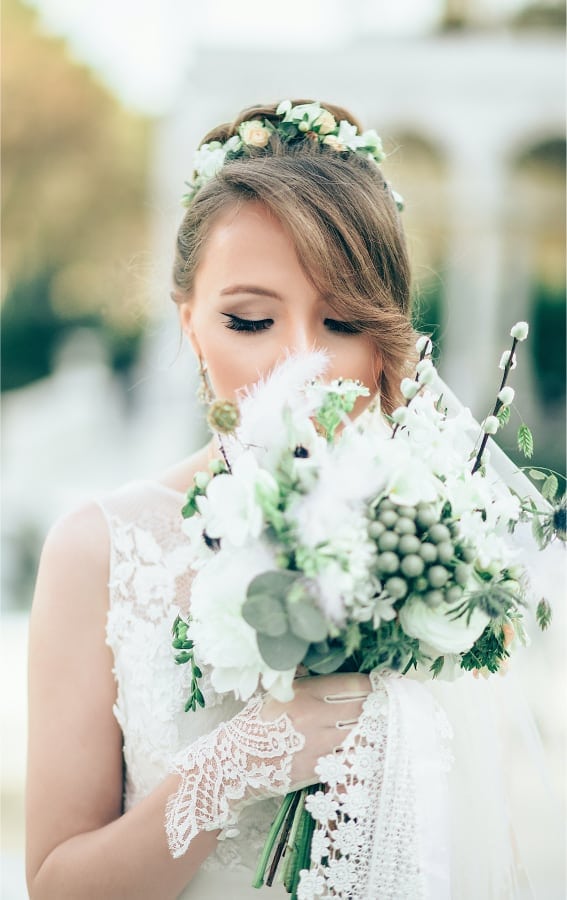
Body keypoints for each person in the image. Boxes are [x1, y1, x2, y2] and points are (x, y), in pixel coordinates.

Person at [25, 99, 560, 900]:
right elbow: (55, 884)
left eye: (341, 321)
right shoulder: (98, 548)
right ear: (190, 324)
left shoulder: (441, 537)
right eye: (249, 319)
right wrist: (232, 768)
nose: (298, 363)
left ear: (387, 342)